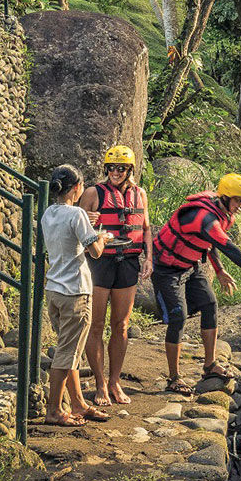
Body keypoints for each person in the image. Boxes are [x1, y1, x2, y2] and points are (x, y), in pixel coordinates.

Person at [151, 172, 241, 395]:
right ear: (224, 197)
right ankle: (174, 378)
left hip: (191, 265)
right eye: (238, 200)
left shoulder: (220, 213)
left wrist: (220, 270)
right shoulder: (205, 217)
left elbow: (210, 243)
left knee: (210, 305)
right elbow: (229, 247)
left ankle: (210, 364)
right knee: (178, 317)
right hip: (167, 270)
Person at [40, 165, 113, 426]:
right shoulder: (78, 214)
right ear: (77, 188)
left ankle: (78, 403)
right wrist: (103, 237)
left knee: (68, 349)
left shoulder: (48, 213)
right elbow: (95, 251)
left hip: (54, 289)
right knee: (66, 354)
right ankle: (54, 410)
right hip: (75, 292)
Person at [83, 144, 150, 406]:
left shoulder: (140, 194)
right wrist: (86, 216)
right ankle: (100, 383)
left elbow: (145, 229)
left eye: (121, 168)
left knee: (121, 326)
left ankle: (115, 382)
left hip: (128, 262)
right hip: (100, 263)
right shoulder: (93, 192)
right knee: (96, 325)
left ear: (130, 170)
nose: (115, 172)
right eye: (111, 167)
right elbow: (77, 224)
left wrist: (149, 260)